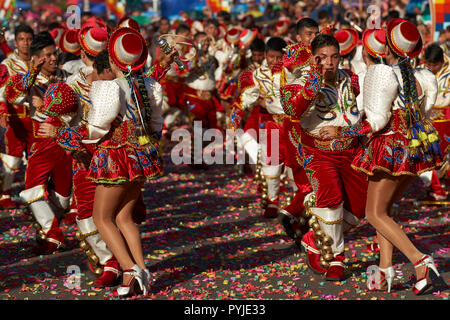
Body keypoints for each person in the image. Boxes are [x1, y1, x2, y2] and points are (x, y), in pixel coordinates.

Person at [321, 19, 442, 294]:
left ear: (386, 48)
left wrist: (341, 132)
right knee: (384, 212)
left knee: (374, 214)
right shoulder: (424, 76)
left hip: (389, 149)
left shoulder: (380, 73)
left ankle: (420, 261)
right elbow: (424, 111)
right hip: (416, 149)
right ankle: (385, 269)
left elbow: (376, 120)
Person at [52, 27, 164, 297]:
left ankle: (129, 270)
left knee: (101, 218)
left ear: (113, 58)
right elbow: (157, 125)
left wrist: (68, 135)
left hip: (115, 156)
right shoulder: (148, 84)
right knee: (124, 217)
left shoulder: (108, 86)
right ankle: (141, 270)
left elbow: (97, 127)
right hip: (142, 157)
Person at [279, 34, 368, 281]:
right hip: (318, 151)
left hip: (351, 149)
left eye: (334, 56)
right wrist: (312, 85)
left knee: (361, 207)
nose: (329, 62)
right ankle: (336, 258)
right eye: (323, 57)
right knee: (330, 199)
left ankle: (315, 238)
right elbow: (291, 110)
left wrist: (348, 131)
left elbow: (358, 113)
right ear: (313, 57)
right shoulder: (300, 79)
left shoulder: (351, 78)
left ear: (341, 56)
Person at [5, 32, 72, 254]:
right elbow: (14, 96)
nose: (53, 59)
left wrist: (45, 105)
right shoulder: (28, 80)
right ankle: (54, 236)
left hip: (66, 142)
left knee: (63, 200)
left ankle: (48, 227)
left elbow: (80, 108)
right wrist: (33, 72)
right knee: (32, 190)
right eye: (47, 56)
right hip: (40, 143)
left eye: (55, 54)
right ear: (35, 59)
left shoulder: (68, 76)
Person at [230, 37, 288, 218]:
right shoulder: (257, 74)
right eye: (271, 57)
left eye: (279, 57)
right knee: (271, 163)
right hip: (271, 122)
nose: (275, 61)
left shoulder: (293, 72)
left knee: (296, 167)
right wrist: (235, 117)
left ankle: (298, 203)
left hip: (294, 124)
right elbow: (245, 98)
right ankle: (272, 201)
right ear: (265, 55)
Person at [0, 24, 34, 209]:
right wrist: (3, 112)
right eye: (22, 39)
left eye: (29, 39)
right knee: (11, 158)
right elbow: (1, 91)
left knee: (35, 159)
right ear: (15, 41)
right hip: (14, 117)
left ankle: (34, 194)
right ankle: (5, 194)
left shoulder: (39, 61)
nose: (26, 43)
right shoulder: (8, 64)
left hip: (36, 118)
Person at [418, 43, 449, 199]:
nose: (430, 67)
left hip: (446, 118)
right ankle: (435, 187)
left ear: (441, 62)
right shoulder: (421, 69)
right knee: (427, 154)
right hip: (426, 117)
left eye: (434, 65)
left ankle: (440, 187)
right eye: (427, 64)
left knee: (443, 154)